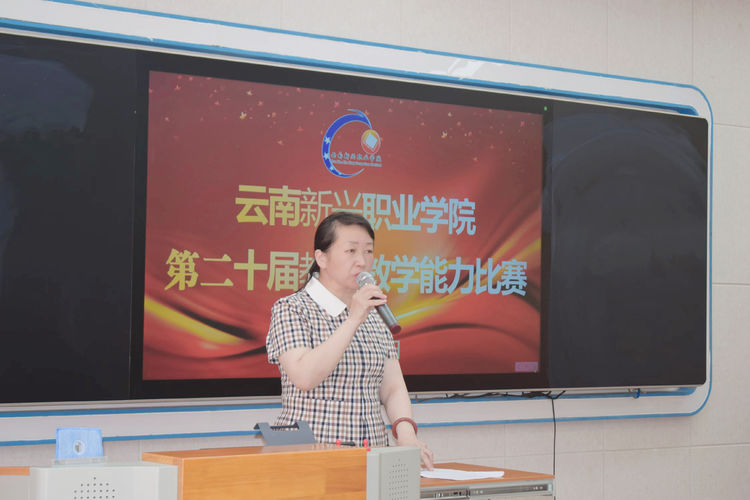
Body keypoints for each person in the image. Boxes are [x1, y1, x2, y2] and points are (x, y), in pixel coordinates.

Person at [266, 211, 434, 469]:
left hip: (372, 456)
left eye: (368, 251)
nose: (362, 262)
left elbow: (392, 388)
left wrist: (406, 434)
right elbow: (304, 377)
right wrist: (353, 319)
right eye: (351, 251)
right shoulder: (292, 308)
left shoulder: (374, 314)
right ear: (321, 258)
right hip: (309, 459)